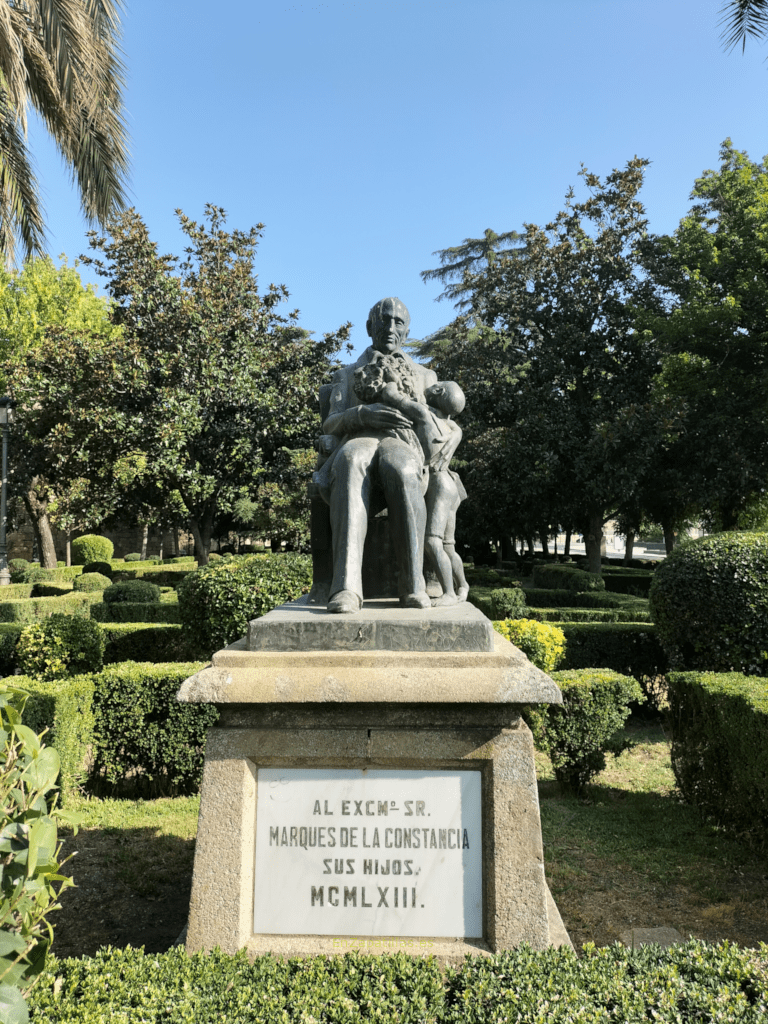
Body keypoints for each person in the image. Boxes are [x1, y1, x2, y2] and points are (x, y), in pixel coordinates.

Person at [315, 297, 436, 614]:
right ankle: (346, 588)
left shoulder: (424, 376)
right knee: (351, 459)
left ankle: (413, 585)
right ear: (370, 327)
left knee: (402, 466)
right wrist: (362, 414)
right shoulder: (347, 373)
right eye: (384, 320)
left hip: (402, 440)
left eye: (398, 321)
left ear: (407, 330)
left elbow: (439, 423)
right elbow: (331, 420)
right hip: (359, 436)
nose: (390, 327)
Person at [373, 379, 469, 606]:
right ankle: (463, 585)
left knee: (432, 541)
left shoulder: (423, 414)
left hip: (438, 482)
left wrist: (389, 376)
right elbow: (455, 425)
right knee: (448, 544)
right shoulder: (448, 425)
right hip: (451, 485)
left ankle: (449, 594)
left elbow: (392, 395)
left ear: (438, 390)